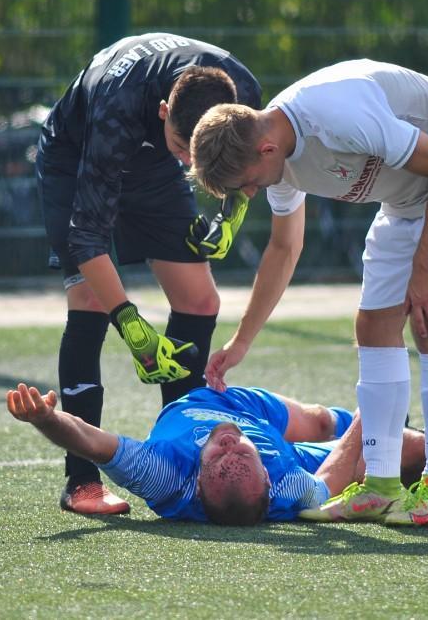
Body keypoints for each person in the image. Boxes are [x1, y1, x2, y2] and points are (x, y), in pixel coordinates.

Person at [188, 59, 428, 526]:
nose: (253, 193)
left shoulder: (338, 115)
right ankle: (380, 485)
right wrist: (240, 342)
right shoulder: (274, 160)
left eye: (249, 183)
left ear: (265, 149)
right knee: (373, 325)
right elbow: (283, 249)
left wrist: (424, 270)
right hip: (409, 196)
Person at [36, 33, 261, 516]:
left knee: (200, 300)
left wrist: (233, 207)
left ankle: (183, 453)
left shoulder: (243, 92)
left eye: (200, 155)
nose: (191, 165)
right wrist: (133, 326)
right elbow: (87, 239)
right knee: (91, 301)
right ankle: (81, 482)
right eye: (185, 149)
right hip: (75, 156)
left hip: (150, 166)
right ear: (164, 111)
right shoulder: (118, 110)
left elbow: (256, 160)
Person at [5, 382, 428, 526]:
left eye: (222, 449)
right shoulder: (285, 489)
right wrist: (374, 415)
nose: (228, 439)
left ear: (198, 479)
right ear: (263, 472)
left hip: (224, 397)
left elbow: (87, 437)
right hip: (291, 450)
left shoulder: (163, 477)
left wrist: (46, 418)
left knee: (321, 420)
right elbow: (334, 474)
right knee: (395, 450)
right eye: (240, 452)